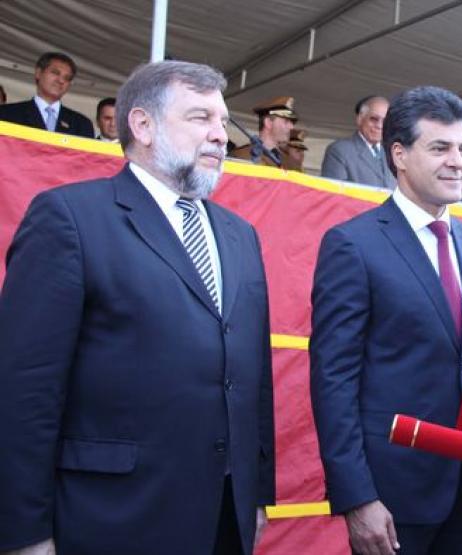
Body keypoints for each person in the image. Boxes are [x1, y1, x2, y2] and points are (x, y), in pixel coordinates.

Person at [0, 60, 275, 555]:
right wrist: (23, 533)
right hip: (112, 517)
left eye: (222, 121)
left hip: (224, 518)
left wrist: (256, 496)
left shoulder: (241, 235)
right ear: (142, 125)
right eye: (200, 118)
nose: (220, 136)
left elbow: (252, 376)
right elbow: (25, 390)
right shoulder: (70, 218)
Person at [310, 86, 462, 555]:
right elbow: (333, 379)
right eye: (439, 148)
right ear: (398, 155)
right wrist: (357, 496)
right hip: (392, 496)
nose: (458, 162)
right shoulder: (352, 245)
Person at [0, 52, 94, 138]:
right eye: (55, 73)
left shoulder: (81, 124)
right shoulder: (7, 114)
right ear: (38, 73)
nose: (61, 81)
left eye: (67, 78)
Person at [321, 95, 397, 189]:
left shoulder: (392, 154)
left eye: (385, 121)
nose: (380, 126)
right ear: (360, 119)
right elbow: (333, 195)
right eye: (374, 119)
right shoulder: (339, 151)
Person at [230, 96, 298, 167]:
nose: (291, 127)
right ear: (268, 122)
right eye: (286, 121)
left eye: (292, 123)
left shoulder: (290, 163)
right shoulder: (242, 157)